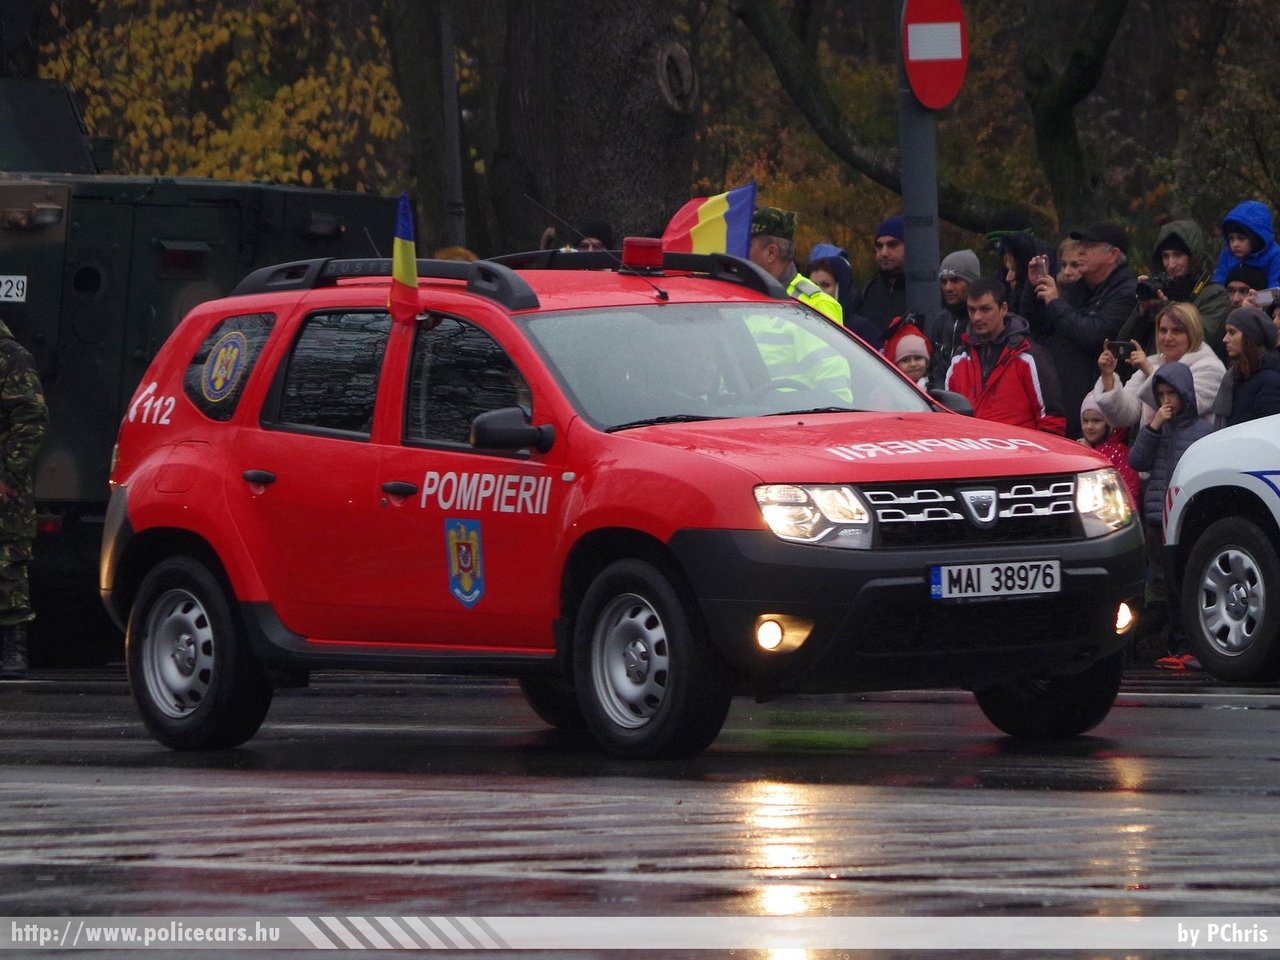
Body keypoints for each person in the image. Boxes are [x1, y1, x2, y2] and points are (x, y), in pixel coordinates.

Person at [1127, 361, 1215, 670]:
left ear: (1186, 395)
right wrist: (1153, 428)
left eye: (1172, 394)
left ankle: (1187, 645)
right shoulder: (1157, 430)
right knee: (1161, 588)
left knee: (1181, 586)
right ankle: (1167, 645)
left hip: (1184, 521)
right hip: (1156, 519)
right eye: (1161, 394)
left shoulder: (1202, 431)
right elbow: (1136, 460)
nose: (1166, 401)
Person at [1025, 221, 1137, 439]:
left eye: (1090, 245)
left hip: (1098, 419)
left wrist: (1056, 303)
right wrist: (1033, 289)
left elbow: (1095, 335)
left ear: (1113, 254)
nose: (1080, 251)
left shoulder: (1126, 292)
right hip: (1064, 406)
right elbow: (1039, 328)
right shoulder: (1079, 289)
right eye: (1081, 245)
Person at [944, 276, 1066, 435]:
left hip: (1020, 456)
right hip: (973, 455)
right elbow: (947, 421)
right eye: (972, 310)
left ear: (1003, 308)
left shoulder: (1029, 357)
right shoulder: (958, 362)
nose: (977, 317)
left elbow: (1052, 421)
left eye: (985, 309)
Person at [1092, 301, 1225, 432]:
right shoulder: (1152, 363)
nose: (1167, 337)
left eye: (1176, 331)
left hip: (1191, 450)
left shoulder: (1210, 367)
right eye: (1163, 330)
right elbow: (1124, 417)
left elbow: (1185, 409)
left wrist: (1150, 371)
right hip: (1151, 448)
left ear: (1192, 333)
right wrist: (1108, 376)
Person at [0, 319, 48, 680]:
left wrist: (7, 473)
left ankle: (14, 650)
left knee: (8, 565)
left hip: (6, 489)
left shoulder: (11, 357)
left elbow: (31, 417)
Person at [1116, 220, 1230, 364]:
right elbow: (1125, 347)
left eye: (1178, 255)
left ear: (1193, 257)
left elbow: (1200, 340)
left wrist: (1165, 308)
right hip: (1151, 376)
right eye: (1165, 256)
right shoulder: (1160, 291)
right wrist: (1142, 309)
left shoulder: (1214, 295)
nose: (1171, 264)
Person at [749, 207, 842, 324]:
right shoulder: (741, 296)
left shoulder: (816, 306)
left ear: (771, 253)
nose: (739, 251)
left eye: (748, 246)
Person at [1210, 307, 1280, 427]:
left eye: (1232, 332)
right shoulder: (1236, 377)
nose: (1225, 339)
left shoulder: (1271, 382)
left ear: (1251, 336)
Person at [925, 249, 981, 389]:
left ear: (972, 282)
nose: (948, 287)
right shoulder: (940, 322)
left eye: (955, 280)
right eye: (944, 282)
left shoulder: (983, 322)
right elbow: (933, 373)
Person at [806, 250, 881, 347]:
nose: (818, 291)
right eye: (813, 285)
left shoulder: (862, 328)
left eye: (825, 285)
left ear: (841, 289)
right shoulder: (801, 323)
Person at [1078, 394, 1140, 506]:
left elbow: (1129, 495)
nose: (1089, 426)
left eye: (1096, 421)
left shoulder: (1121, 453)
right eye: (1085, 421)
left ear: (1110, 423)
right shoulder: (1078, 449)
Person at [1211, 200, 1280, 288]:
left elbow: (1275, 287)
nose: (1235, 244)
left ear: (1256, 238)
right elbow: (1219, 282)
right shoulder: (1227, 255)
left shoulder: (1275, 256)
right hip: (1232, 300)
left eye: (1241, 238)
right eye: (1231, 238)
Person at [859, 214, 906, 335]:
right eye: (879, 246)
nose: (884, 253)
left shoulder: (929, 292)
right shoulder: (868, 291)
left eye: (892, 245)